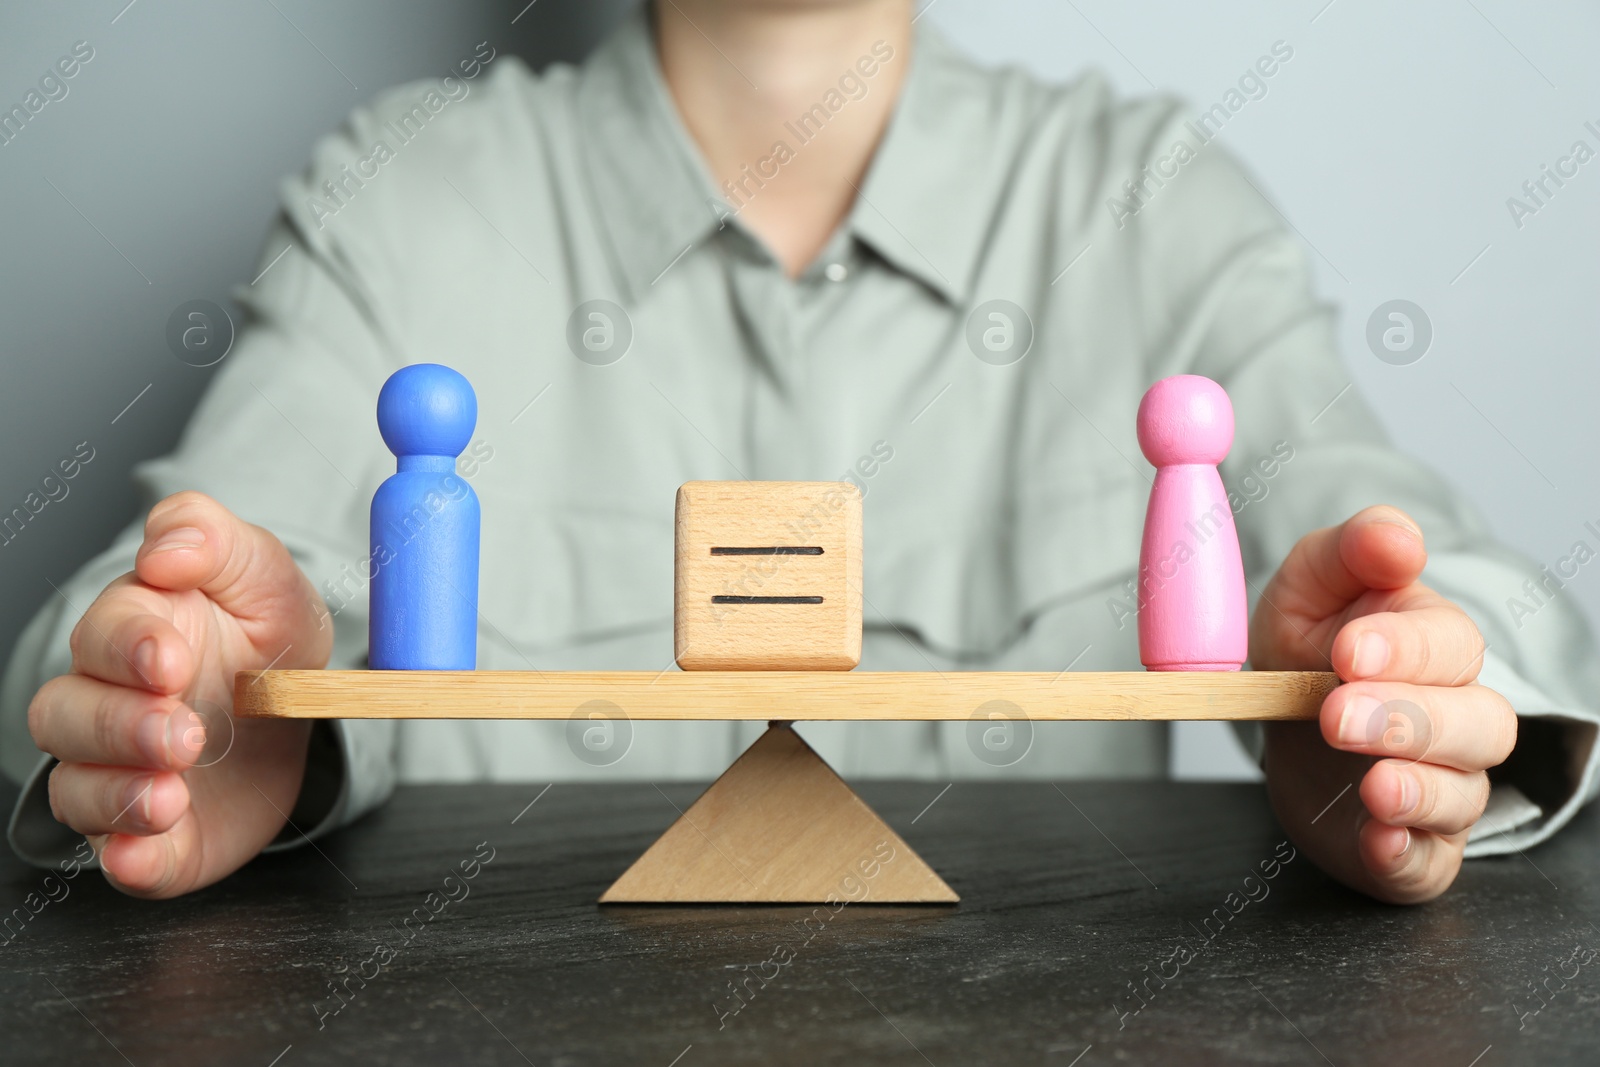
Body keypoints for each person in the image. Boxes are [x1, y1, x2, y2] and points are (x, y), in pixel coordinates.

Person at [4, 0, 1596, 905]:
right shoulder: (406, 195)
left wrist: (1399, 700)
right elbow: (184, 594)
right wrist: (197, 703)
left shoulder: (1150, 202)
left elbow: (1431, 576)